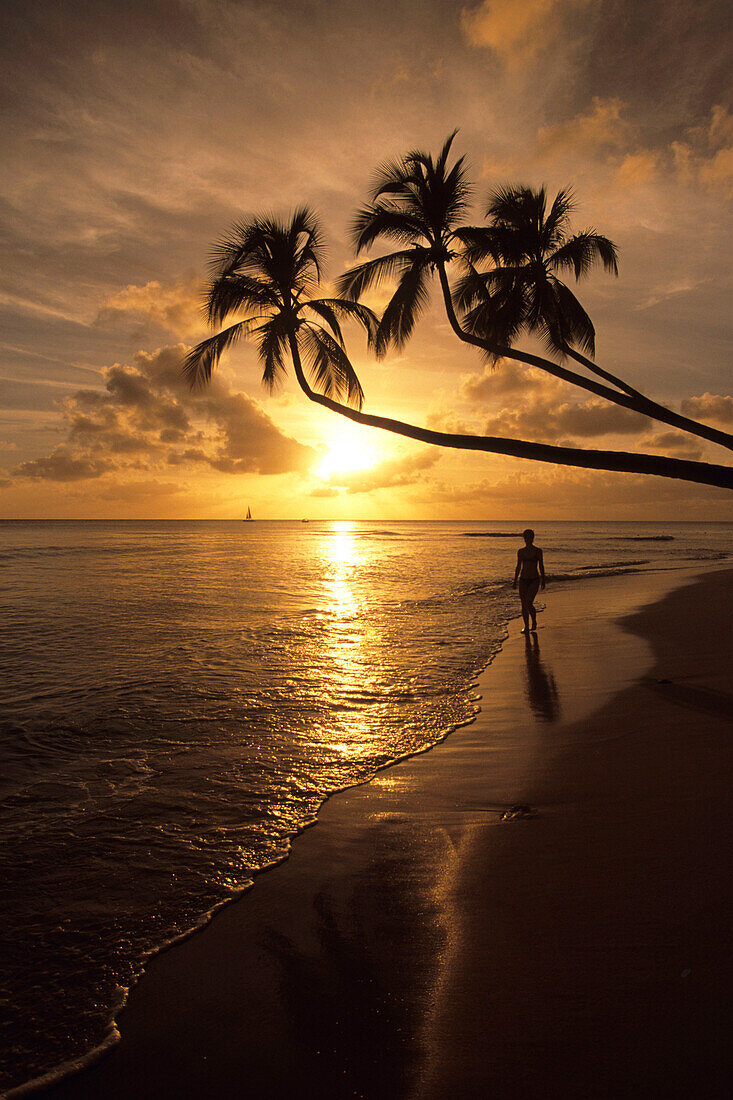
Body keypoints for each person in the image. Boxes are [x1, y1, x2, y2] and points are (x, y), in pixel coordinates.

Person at [512, 528, 545, 634]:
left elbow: (541, 566)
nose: (527, 539)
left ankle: (534, 621)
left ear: (532, 538)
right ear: (524, 538)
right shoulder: (521, 552)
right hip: (523, 579)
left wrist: (543, 579)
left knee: (528, 602)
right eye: (525, 537)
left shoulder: (538, 551)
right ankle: (526, 626)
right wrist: (515, 580)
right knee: (523, 603)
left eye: (529, 537)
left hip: (534, 579)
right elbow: (518, 566)